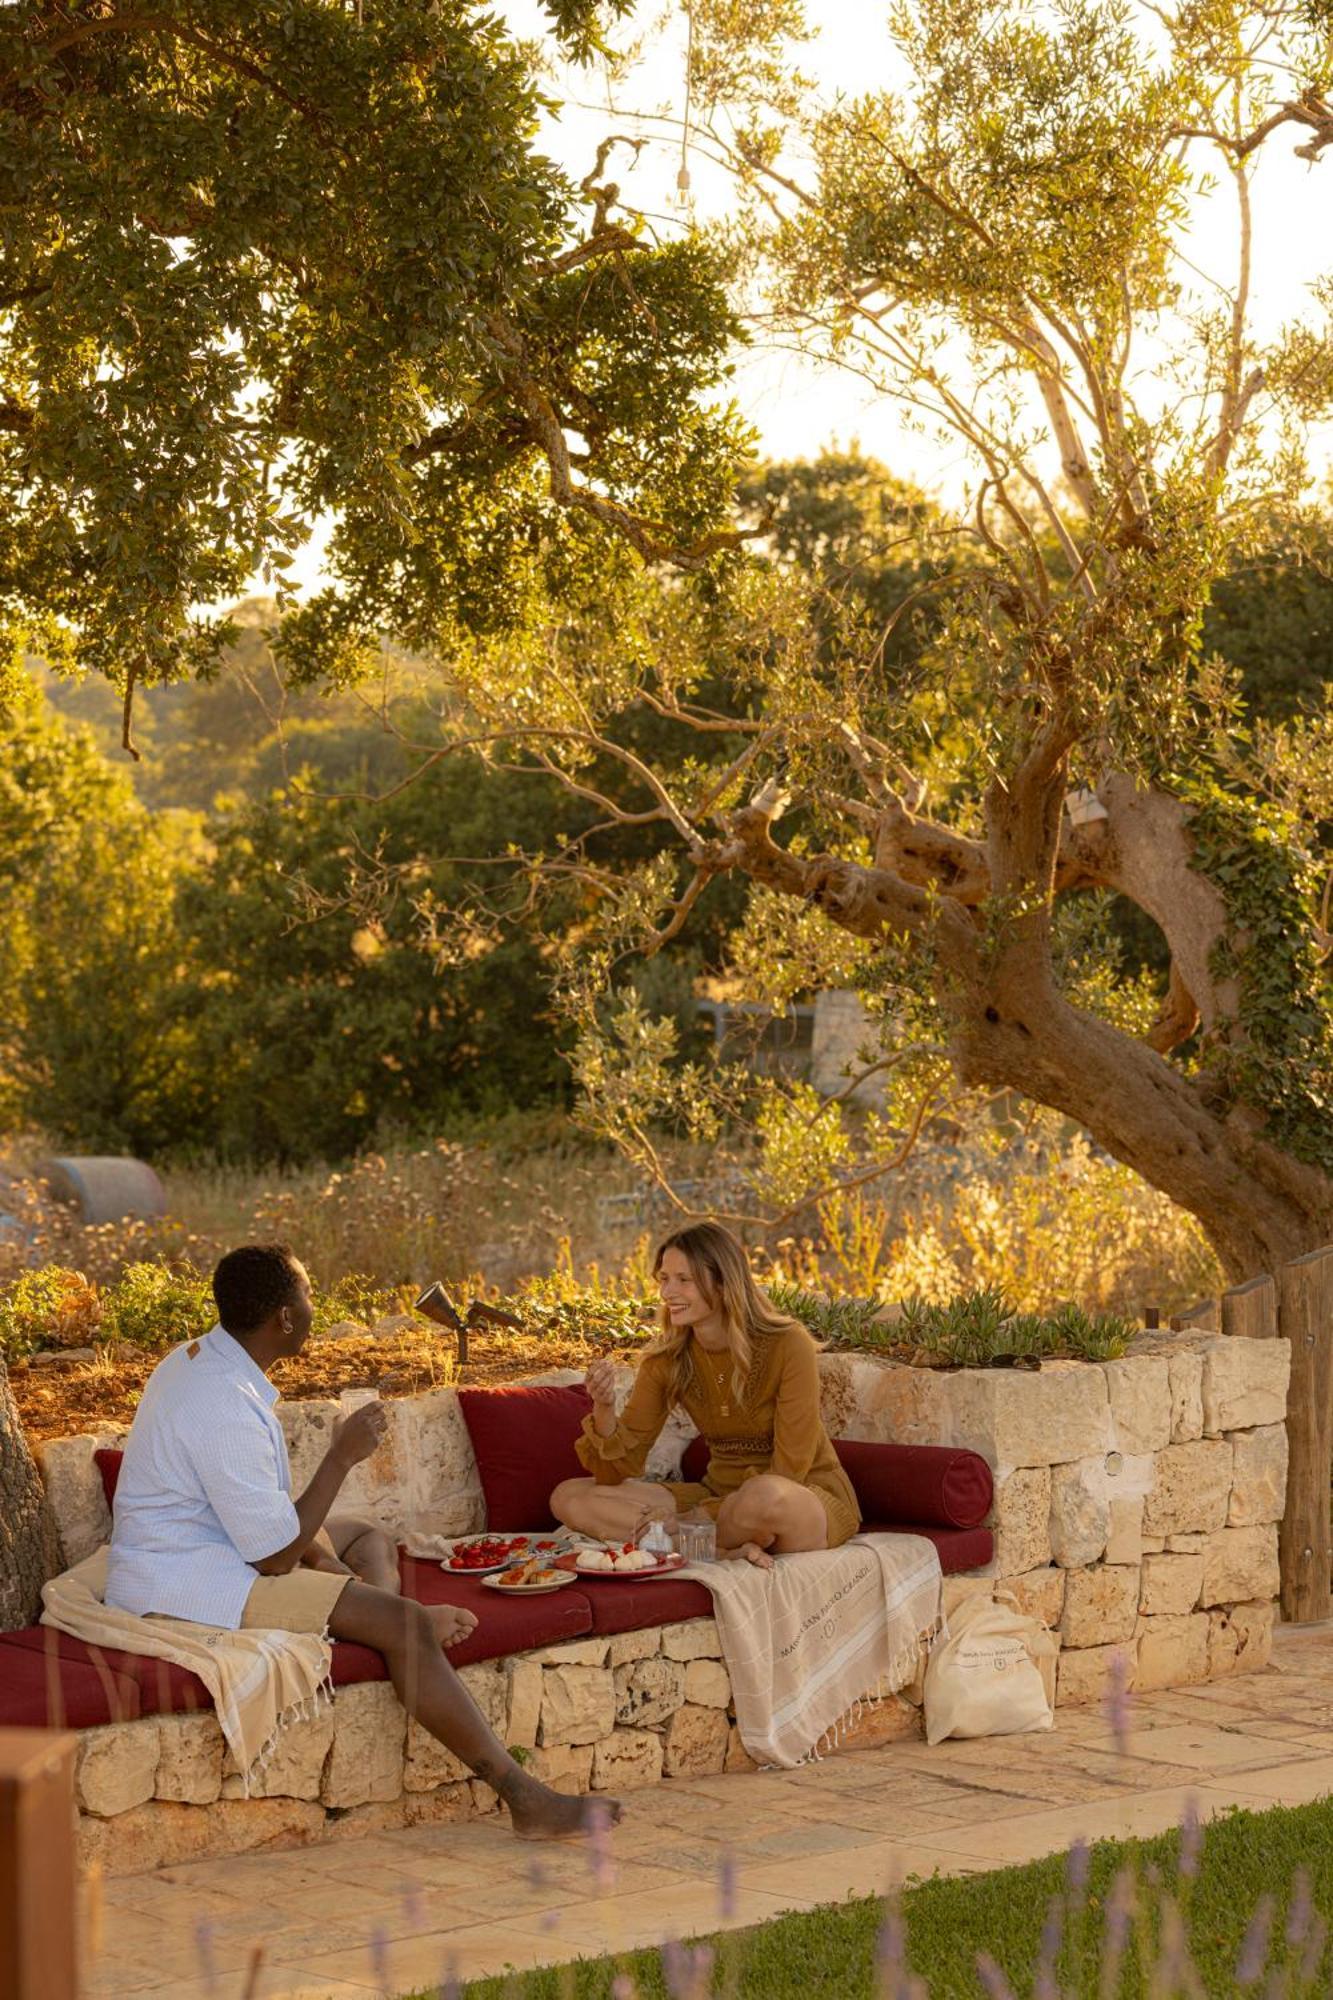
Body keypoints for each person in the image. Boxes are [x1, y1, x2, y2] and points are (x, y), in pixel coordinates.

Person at [105, 1242, 619, 1840]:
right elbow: (273, 1557)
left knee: (365, 1537)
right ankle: (522, 1794)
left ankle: (390, 1616)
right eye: (307, 1293)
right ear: (284, 1319)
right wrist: (341, 1458)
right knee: (405, 1627)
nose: (314, 1302)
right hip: (196, 1580)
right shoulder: (223, 1405)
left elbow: (267, 1523)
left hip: (209, 1547)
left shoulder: (199, 1363)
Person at [551, 1221, 860, 1566]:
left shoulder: (788, 1344)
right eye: (664, 1279)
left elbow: (790, 1469)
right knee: (569, 1497)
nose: (668, 1293)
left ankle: (686, 1538)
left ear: (724, 1281)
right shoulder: (666, 1359)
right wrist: (604, 1409)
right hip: (717, 1496)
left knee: (763, 1496)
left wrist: (696, 1516)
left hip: (799, 1498)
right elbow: (616, 1472)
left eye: (684, 1280)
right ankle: (711, 1546)